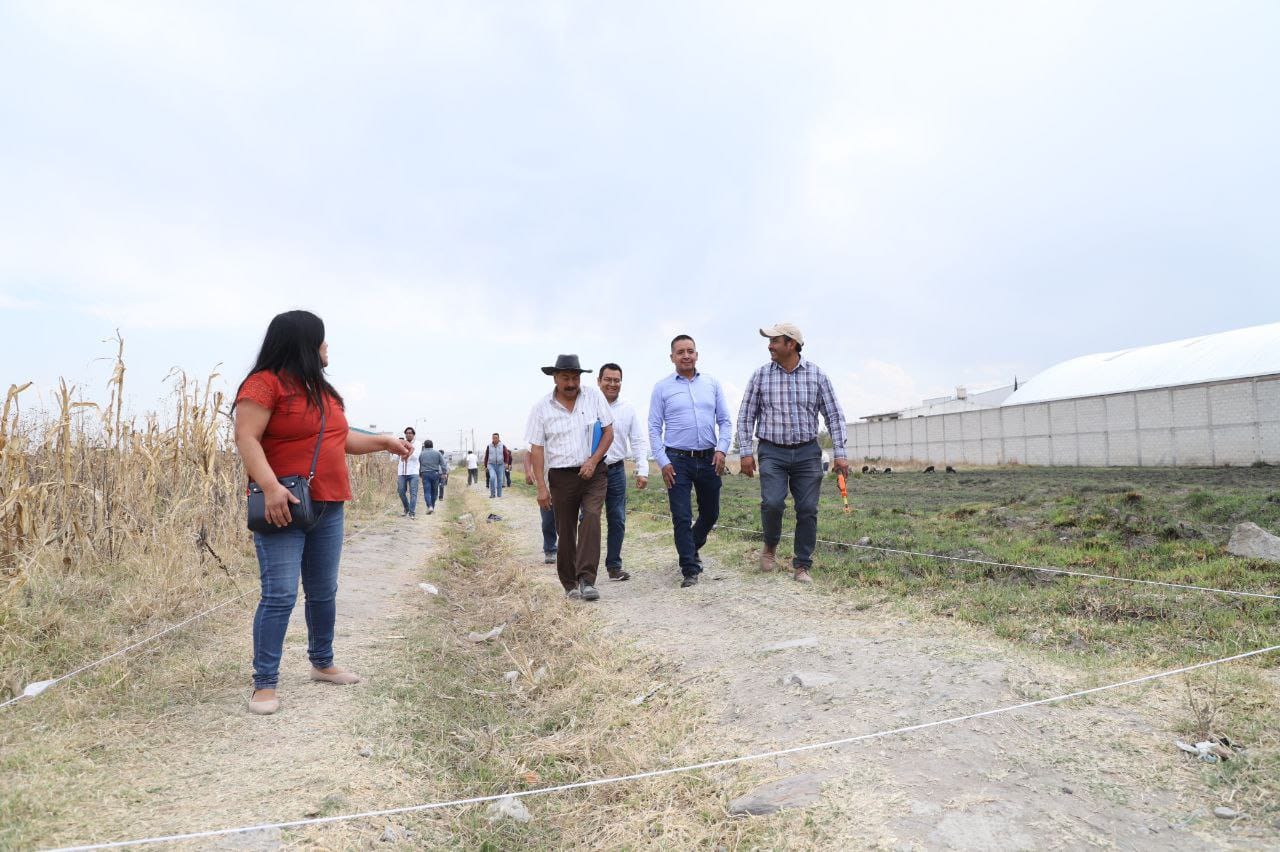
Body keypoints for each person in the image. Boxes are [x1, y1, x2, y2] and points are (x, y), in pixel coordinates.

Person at [233, 309, 411, 716]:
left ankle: (322, 662)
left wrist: (383, 441)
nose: (327, 347)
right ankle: (264, 683)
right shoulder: (264, 385)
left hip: (329, 503)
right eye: (322, 339)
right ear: (304, 344)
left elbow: (340, 438)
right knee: (279, 594)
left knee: (323, 590)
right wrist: (271, 486)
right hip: (284, 505)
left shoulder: (324, 392)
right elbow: (246, 436)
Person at [737, 322, 850, 584]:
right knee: (773, 503)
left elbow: (834, 415)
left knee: (808, 508)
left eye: (774, 341)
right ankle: (770, 546)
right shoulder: (761, 376)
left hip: (807, 453)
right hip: (772, 452)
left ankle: (802, 565)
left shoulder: (817, 376)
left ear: (791, 344)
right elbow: (746, 416)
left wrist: (840, 454)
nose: (769, 345)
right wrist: (745, 453)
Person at [525, 354, 614, 601]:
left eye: (575, 377)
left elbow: (608, 432)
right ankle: (569, 583)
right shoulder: (541, 408)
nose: (571, 383)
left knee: (592, 517)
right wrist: (541, 487)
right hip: (561, 477)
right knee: (565, 529)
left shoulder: (594, 397)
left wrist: (593, 460)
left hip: (593, 472)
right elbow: (537, 449)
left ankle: (587, 579)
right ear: (555, 378)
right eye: (566, 378)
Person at [648, 335, 732, 588]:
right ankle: (689, 568)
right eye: (680, 352)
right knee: (682, 516)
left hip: (709, 458)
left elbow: (725, 421)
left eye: (690, 351)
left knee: (711, 512)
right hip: (677, 460)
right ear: (672, 357)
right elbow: (654, 427)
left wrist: (722, 450)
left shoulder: (712, 384)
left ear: (697, 354)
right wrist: (663, 461)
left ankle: (692, 545)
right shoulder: (662, 388)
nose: (686, 355)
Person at [597, 362, 650, 581]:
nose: (612, 384)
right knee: (587, 519)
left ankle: (614, 566)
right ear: (599, 381)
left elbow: (637, 439)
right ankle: (583, 567)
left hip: (617, 470)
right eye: (607, 379)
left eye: (616, 380)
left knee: (617, 519)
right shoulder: (588, 404)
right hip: (591, 471)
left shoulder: (627, 408)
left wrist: (642, 469)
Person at [523, 448, 558, 564]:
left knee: (565, 523)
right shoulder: (540, 436)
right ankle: (550, 550)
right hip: (545, 487)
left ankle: (567, 550)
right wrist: (528, 471)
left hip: (565, 487)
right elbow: (528, 454)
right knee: (547, 522)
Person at [394, 426, 420, 518]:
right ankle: (407, 508)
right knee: (401, 491)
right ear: (405, 434)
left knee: (413, 493)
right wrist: (397, 451)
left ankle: (412, 512)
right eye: (407, 433)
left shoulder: (418, 444)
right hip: (402, 471)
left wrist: (405, 453)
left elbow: (416, 456)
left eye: (410, 433)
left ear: (413, 434)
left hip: (413, 471)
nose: (408, 434)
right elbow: (395, 458)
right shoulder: (400, 443)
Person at [418, 439, 445, 515]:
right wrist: (444, 473)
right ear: (432, 445)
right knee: (434, 492)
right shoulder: (437, 453)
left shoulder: (421, 454)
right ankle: (432, 506)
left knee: (427, 491)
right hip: (435, 474)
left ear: (425, 446)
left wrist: (420, 473)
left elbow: (419, 464)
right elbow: (443, 464)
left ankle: (429, 506)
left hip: (425, 474)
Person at [484, 432, 512, 498]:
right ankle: (492, 494)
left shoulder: (502, 446)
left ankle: (499, 494)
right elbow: (486, 456)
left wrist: (506, 463)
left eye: (496, 438)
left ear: (498, 438)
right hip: (491, 465)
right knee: (492, 478)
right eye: (493, 438)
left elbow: (506, 455)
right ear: (492, 438)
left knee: (500, 480)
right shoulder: (489, 446)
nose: (495, 439)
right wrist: (485, 466)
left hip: (500, 465)